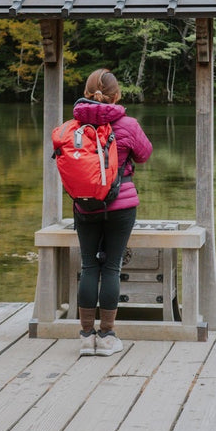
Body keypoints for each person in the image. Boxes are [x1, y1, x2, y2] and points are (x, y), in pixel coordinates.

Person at [73, 68, 152, 356]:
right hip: (121, 205)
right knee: (112, 268)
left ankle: (85, 337)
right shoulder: (128, 124)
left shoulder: (74, 125)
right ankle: (106, 337)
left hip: (85, 205)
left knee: (89, 266)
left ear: (86, 93)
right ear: (116, 95)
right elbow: (144, 154)